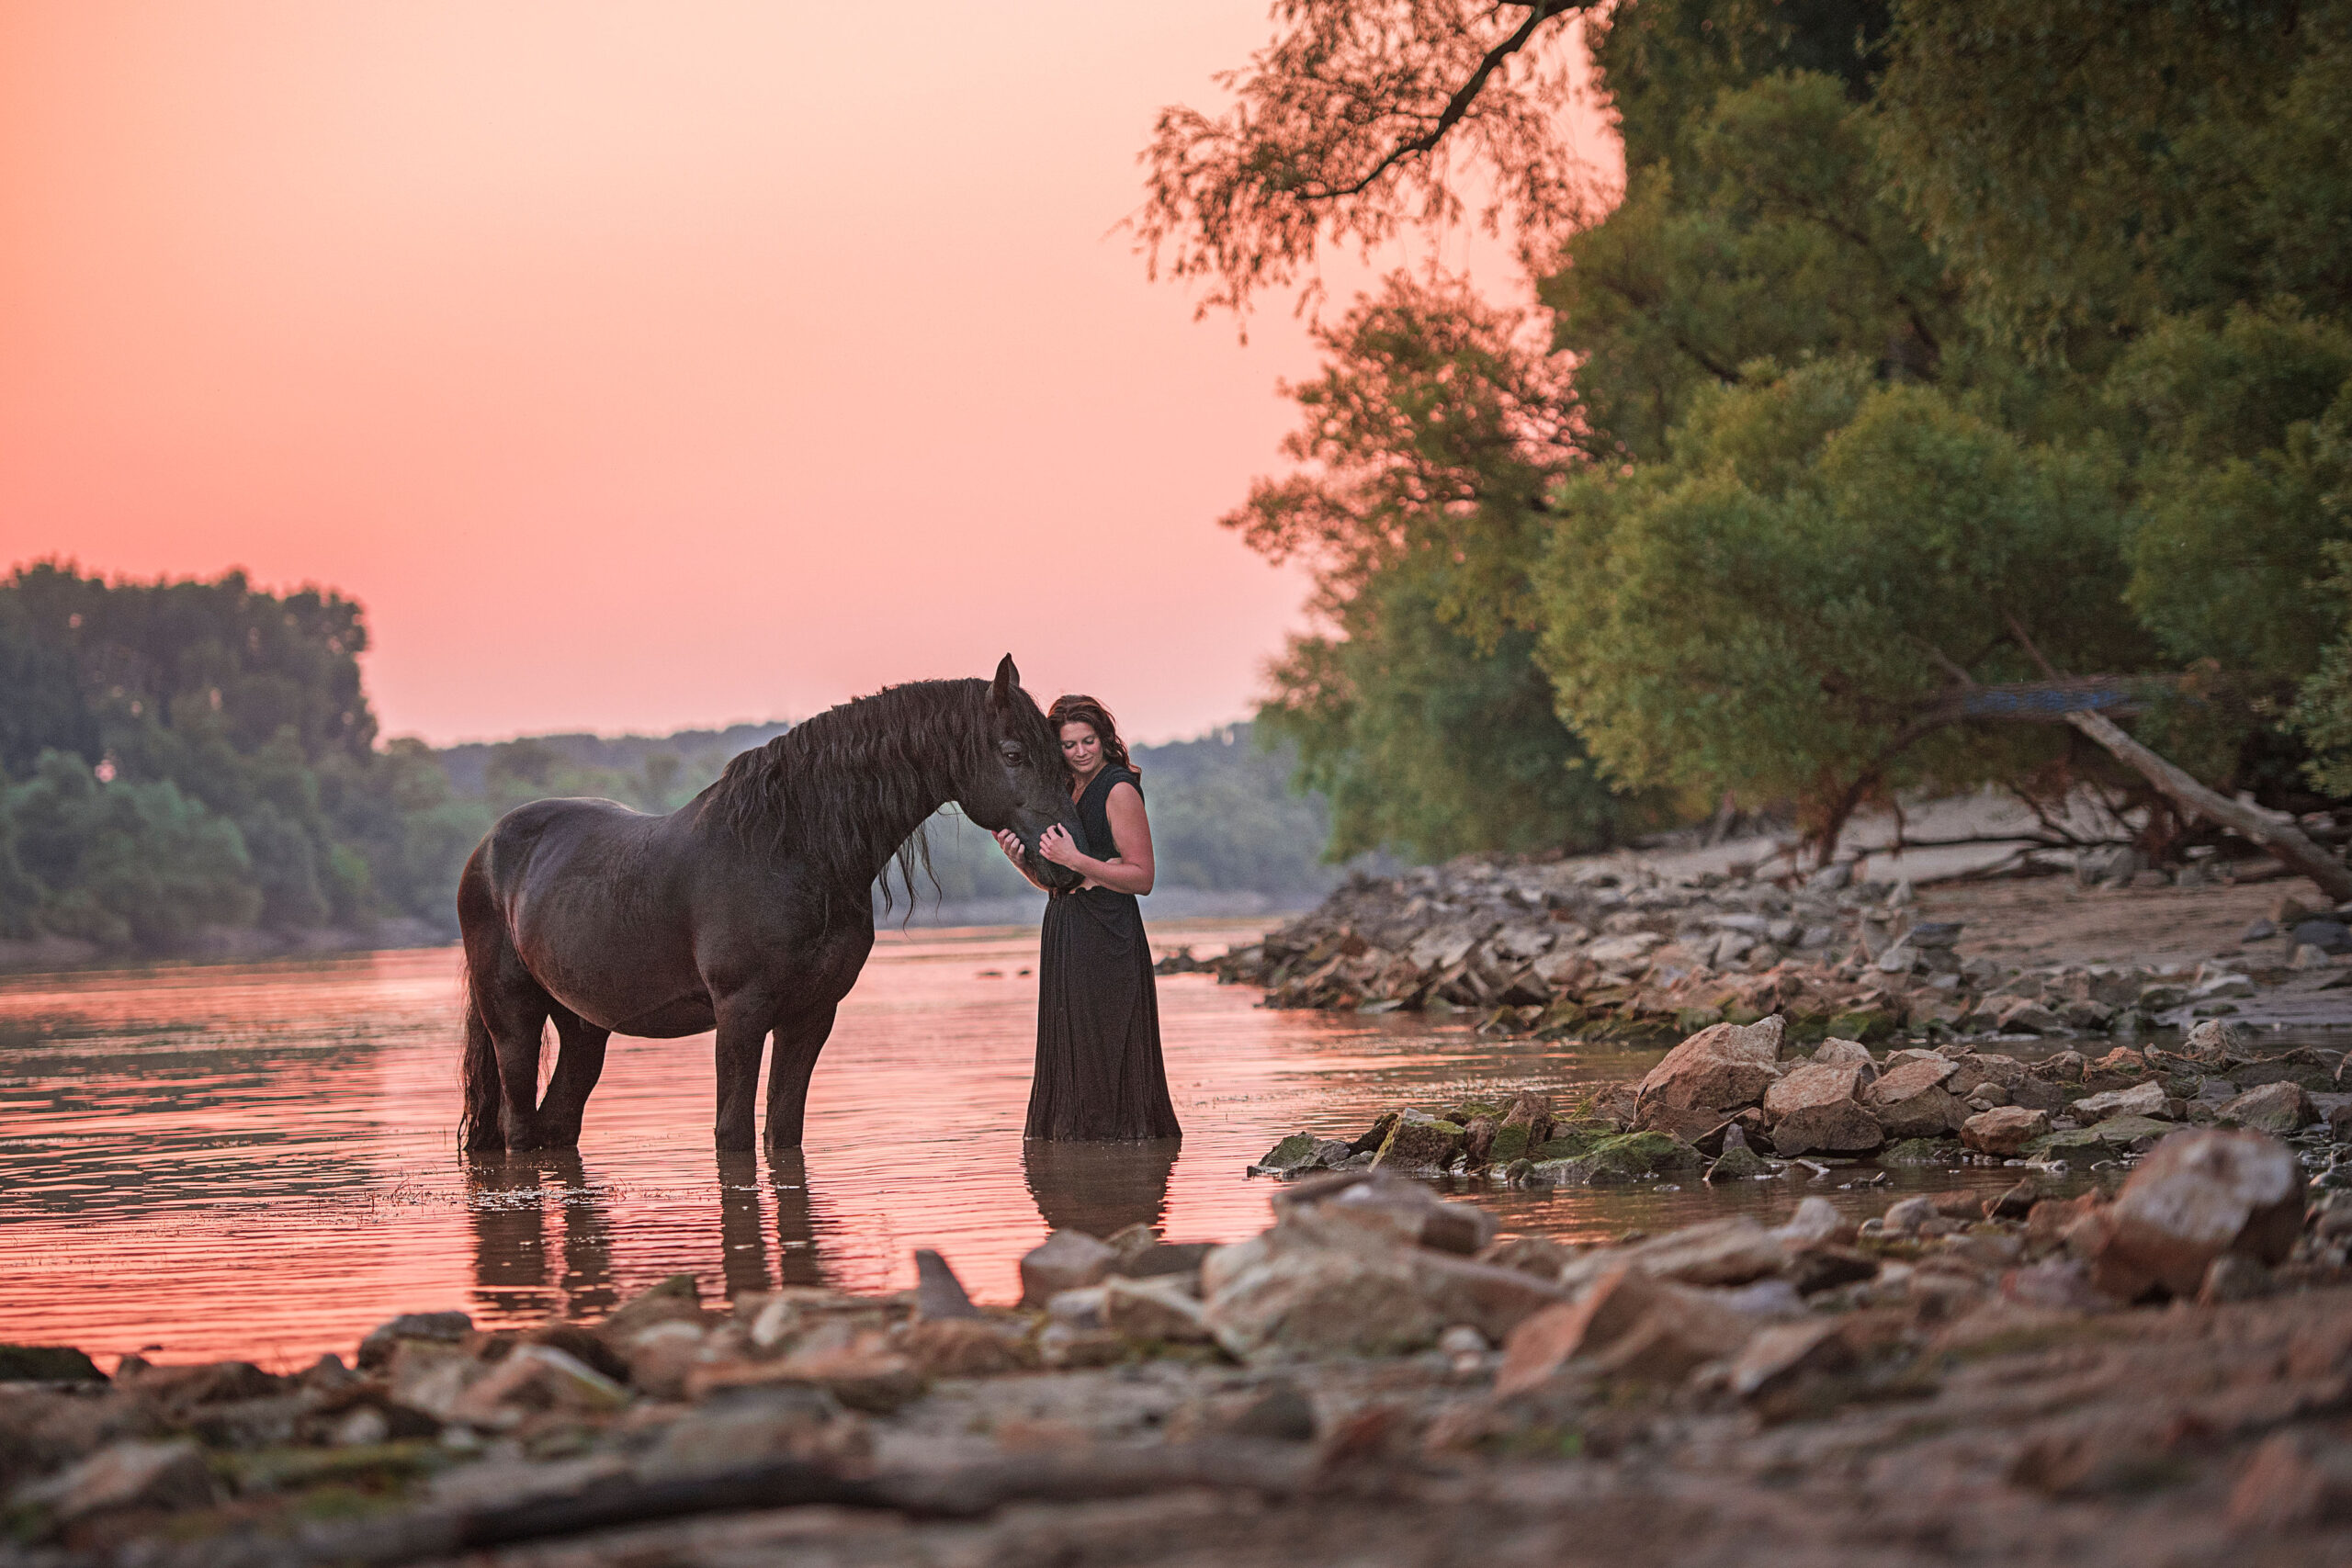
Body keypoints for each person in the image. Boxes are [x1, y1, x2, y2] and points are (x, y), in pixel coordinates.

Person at [992, 695, 1182, 1142]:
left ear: (1104, 739)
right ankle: (1074, 1151)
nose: (1080, 752)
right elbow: (1058, 879)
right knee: (1068, 1047)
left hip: (1107, 930)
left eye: (1088, 741)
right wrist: (1023, 864)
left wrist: (1077, 859)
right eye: (1068, 744)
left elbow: (1142, 877)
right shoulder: (1059, 791)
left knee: (1104, 1045)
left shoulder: (1118, 789)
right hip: (1064, 925)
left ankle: (1121, 1158)